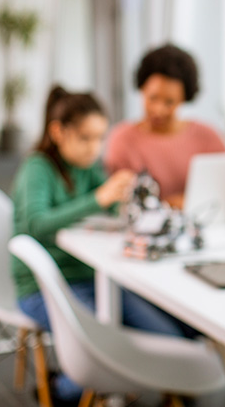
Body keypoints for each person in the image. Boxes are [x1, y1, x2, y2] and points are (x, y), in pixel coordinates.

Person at [11, 85, 195, 405]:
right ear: (58, 132)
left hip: (94, 278)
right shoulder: (38, 168)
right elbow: (35, 224)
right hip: (44, 287)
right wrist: (99, 198)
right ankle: (64, 389)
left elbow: (109, 208)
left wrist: (122, 197)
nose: (94, 149)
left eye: (99, 139)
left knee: (171, 337)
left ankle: (121, 384)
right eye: (85, 138)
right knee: (108, 347)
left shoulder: (88, 168)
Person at [105, 44, 225, 209]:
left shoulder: (208, 138)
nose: (158, 110)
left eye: (169, 102)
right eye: (152, 98)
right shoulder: (122, 139)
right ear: (141, 89)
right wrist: (168, 204)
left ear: (184, 98)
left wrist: (190, 202)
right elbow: (117, 202)